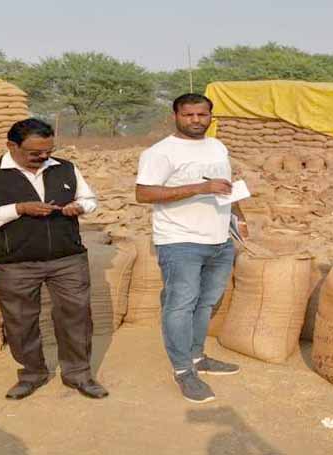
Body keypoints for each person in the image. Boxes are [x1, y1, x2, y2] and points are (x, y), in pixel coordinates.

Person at [0, 118, 107, 400]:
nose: (43, 157)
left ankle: (78, 374)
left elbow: (90, 199)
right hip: (13, 262)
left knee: (76, 316)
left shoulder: (65, 168)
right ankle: (32, 374)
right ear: (11, 146)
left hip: (67, 258)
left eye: (48, 151)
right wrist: (18, 209)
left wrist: (80, 207)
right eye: (35, 153)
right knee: (20, 321)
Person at [135, 93, 248, 403]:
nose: (196, 120)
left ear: (211, 116)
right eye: (189, 115)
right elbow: (144, 194)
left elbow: (225, 187)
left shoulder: (217, 146)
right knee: (181, 305)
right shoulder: (160, 152)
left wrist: (238, 218)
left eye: (202, 114)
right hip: (180, 241)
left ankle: (198, 357)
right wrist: (201, 187)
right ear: (176, 116)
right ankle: (184, 371)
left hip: (219, 240)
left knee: (206, 302)